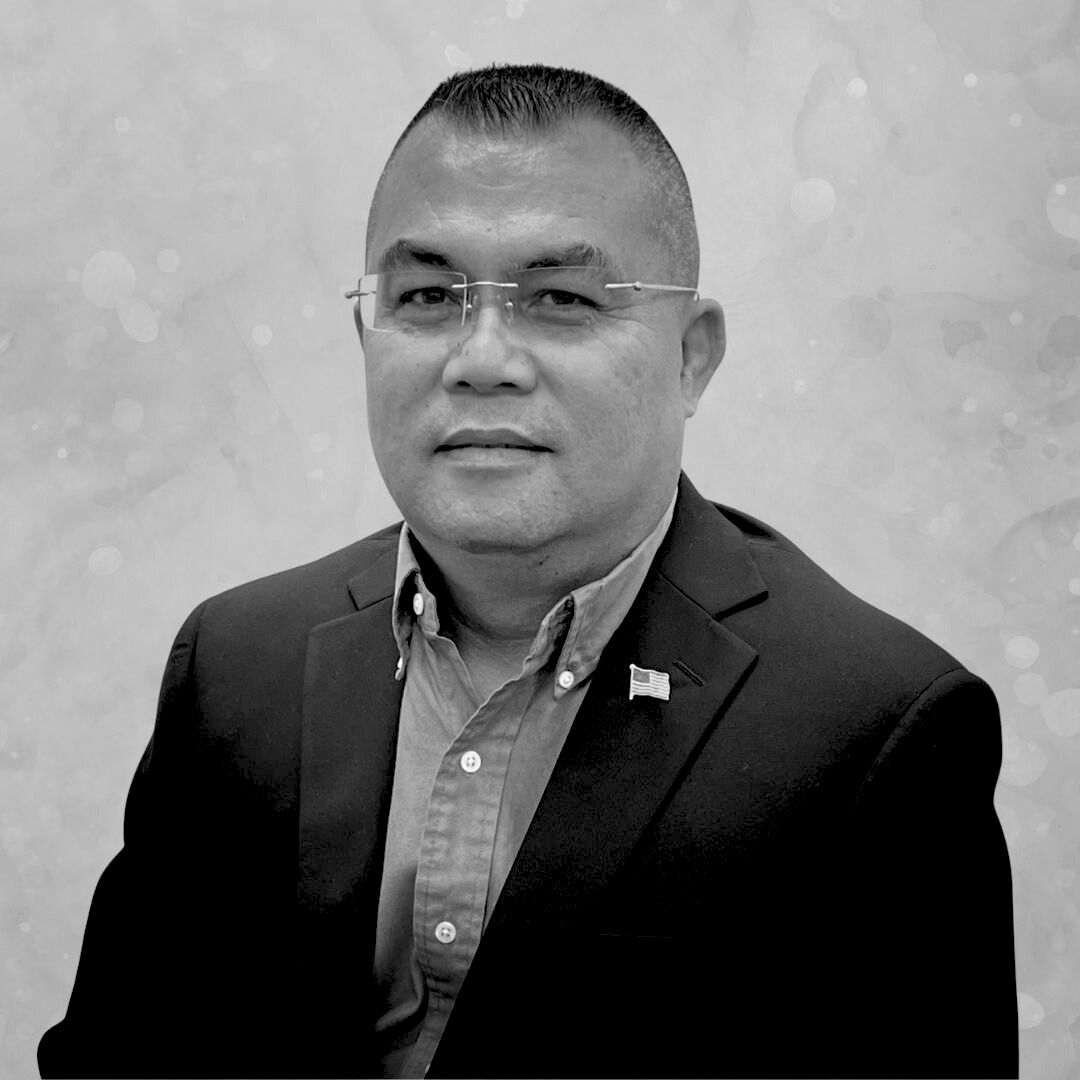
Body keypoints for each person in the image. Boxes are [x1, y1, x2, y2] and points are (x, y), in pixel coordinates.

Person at [39, 64, 1017, 1080]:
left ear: (691, 356)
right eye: (427, 296)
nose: (482, 359)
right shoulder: (238, 664)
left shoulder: (874, 733)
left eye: (560, 298)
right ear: (367, 333)